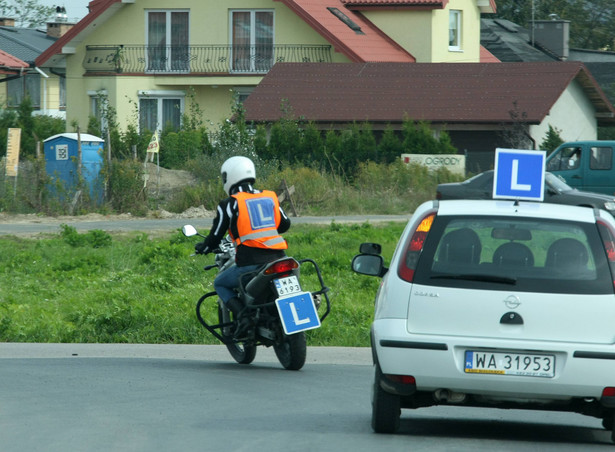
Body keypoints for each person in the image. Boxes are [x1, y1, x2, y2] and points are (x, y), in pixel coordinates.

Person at [195, 156, 291, 337]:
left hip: (251, 263)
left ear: (229, 177)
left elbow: (215, 236)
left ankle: (244, 316)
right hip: (279, 258)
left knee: (220, 283)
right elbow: (285, 224)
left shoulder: (229, 204)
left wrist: (204, 247)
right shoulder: (270, 196)